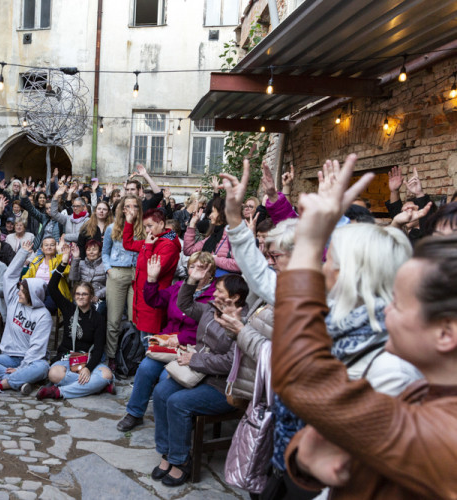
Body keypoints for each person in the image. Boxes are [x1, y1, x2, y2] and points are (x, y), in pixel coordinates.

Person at [271, 155, 457, 499]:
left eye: (399, 304)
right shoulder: (423, 393)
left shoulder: (445, 430)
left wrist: (311, 241)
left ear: (446, 333)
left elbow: (302, 376)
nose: (385, 312)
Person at [150, 272, 248, 487]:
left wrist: (195, 358)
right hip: (198, 374)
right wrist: (191, 280)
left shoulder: (243, 323)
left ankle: (180, 460)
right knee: (161, 392)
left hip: (223, 385)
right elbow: (183, 303)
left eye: (220, 290)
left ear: (236, 297)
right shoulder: (210, 309)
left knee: (178, 402)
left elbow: (230, 362)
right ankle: (166, 452)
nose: (215, 292)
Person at [117, 252, 217, 432]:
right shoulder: (179, 287)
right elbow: (153, 300)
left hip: (191, 347)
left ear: (211, 272)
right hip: (165, 345)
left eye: (201, 267)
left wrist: (180, 338)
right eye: (192, 267)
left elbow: (210, 329)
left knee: (166, 378)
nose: (195, 271)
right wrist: (152, 279)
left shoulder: (215, 296)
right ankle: (134, 413)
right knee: (146, 368)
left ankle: (171, 422)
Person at [37, 244, 113, 400]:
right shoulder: (68, 309)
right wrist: (63, 262)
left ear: (91, 296)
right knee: (54, 374)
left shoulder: (98, 318)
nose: (80, 297)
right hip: (67, 357)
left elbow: (99, 349)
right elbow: (52, 287)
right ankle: (97, 386)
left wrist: (88, 369)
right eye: (77, 294)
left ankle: (59, 392)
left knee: (106, 374)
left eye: (84, 294)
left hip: (88, 358)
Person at [0, 240, 52, 395]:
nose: (18, 292)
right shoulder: (13, 301)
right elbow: (9, 277)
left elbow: (37, 349)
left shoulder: (44, 316)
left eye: (22, 291)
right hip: (9, 357)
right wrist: (23, 253)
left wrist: (22, 367)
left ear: (33, 295)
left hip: (31, 360)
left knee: (43, 368)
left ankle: (2, 384)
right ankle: (19, 381)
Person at [123, 207, 181, 341]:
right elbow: (128, 244)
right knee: (144, 339)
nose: (147, 230)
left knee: (150, 342)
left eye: (150, 226)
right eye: (145, 227)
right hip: (143, 300)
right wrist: (129, 222)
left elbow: (152, 270)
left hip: (153, 301)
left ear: (161, 224)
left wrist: (147, 247)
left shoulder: (168, 246)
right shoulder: (155, 239)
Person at [102, 195, 141, 367]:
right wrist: (109, 270)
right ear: (122, 209)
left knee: (135, 318)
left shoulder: (144, 229)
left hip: (137, 275)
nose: (131, 209)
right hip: (117, 273)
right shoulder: (112, 228)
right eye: (127, 206)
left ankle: (131, 354)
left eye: (135, 206)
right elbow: (105, 252)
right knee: (114, 319)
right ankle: (111, 356)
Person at [23, 236, 71, 314]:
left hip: (53, 292)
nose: (49, 247)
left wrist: (60, 254)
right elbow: (27, 276)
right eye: (46, 245)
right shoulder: (36, 260)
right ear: (42, 248)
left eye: (52, 245)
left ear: (56, 247)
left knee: (45, 307)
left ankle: (38, 316)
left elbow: (66, 271)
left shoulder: (59, 259)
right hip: (37, 291)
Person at [68, 240, 107, 315]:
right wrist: (76, 259)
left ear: (100, 252)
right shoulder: (80, 263)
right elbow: (72, 278)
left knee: (97, 312)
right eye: (88, 250)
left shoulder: (105, 265)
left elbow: (109, 286)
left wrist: (97, 295)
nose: (91, 252)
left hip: (99, 298)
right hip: (81, 296)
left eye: (94, 249)